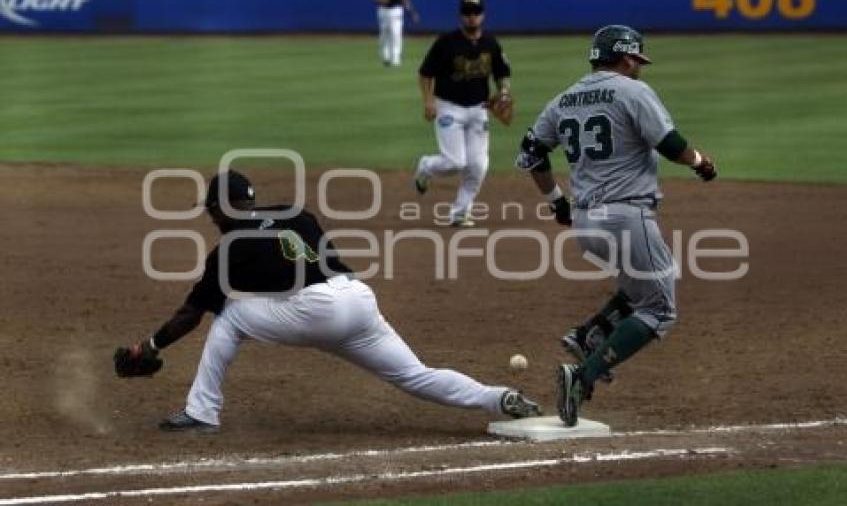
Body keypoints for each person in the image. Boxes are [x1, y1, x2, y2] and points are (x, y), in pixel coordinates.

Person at [117, 170, 540, 432]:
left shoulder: (229, 249)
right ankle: (497, 397)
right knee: (414, 374)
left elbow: (191, 313)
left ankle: (202, 412)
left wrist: (149, 348)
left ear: (224, 207)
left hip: (315, 310)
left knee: (230, 318)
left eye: (212, 211)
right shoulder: (294, 212)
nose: (211, 219)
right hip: (356, 298)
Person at [515, 25, 717, 427]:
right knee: (661, 309)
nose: (639, 68)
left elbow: (532, 154)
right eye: (637, 61)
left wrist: (557, 203)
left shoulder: (564, 99)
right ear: (625, 58)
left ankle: (589, 334)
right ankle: (583, 375)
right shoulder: (633, 92)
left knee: (651, 280)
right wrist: (700, 162)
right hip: (627, 216)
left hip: (587, 223)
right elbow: (670, 144)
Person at [414, 0, 511, 227]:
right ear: (461, 16)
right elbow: (425, 73)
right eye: (467, 13)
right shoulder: (446, 42)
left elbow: (502, 73)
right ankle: (426, 166)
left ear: (483, 15)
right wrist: (428, 101)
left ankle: (459, 213)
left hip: (479, 109)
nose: (472, 17)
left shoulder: (491, 43)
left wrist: (505, 92)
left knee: (478, 165)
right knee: (455, 162)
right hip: (449, 107)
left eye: (476, 12)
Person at [372, 0, 419, 67]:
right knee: (384, 34)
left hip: (396, 10)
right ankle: (386, 57)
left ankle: (395, 58)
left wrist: (412, 12)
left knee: (396, 34)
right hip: (383, 10)